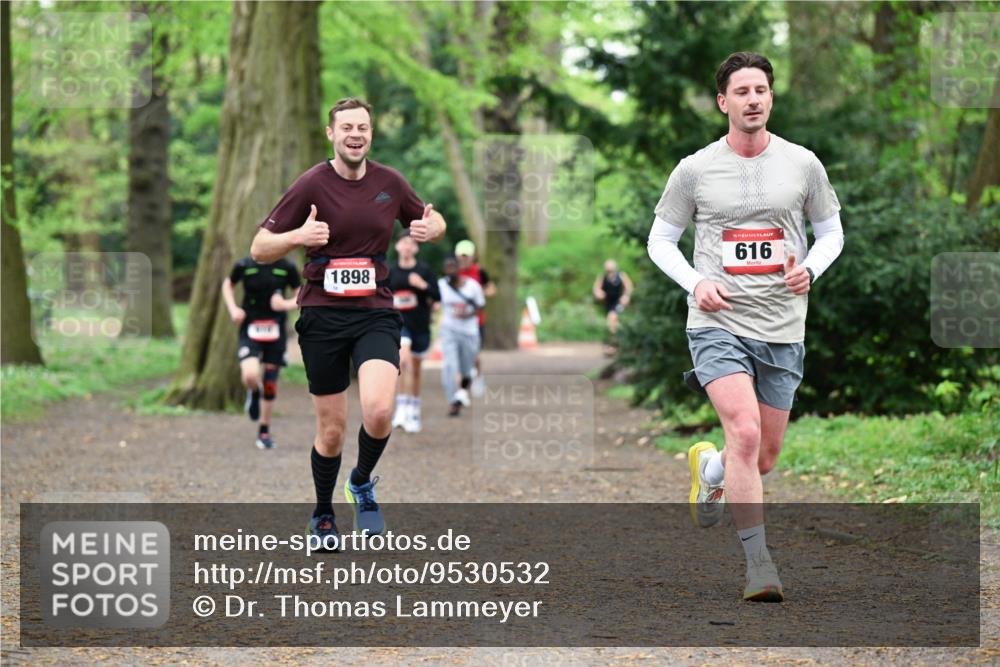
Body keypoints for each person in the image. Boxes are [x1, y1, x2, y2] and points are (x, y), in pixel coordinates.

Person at [647, 52, 844, 602]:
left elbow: (831, 233)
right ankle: (760, 565)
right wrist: (695, 284)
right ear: (723, 102)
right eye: (742, 91)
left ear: (771, 98)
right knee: (745, 431)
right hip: (718, 321)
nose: (753, 99)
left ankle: (710, 470)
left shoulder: (803, 164)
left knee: (763, 456)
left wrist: (811, 268)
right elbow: (660, 241)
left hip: (782, 325)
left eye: (761, 90)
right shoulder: (695, 169)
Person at [250, 97, 446, 548]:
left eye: (363, 128)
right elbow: (260, 247)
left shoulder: (390, 182)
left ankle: (360, 482)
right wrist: (298, 236)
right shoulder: (311, 184)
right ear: (331, 134)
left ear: (370, 134)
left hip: (375, 312)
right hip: (322, 315)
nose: (355, 135)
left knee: (379, 411)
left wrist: (430, 228)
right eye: (347, 128)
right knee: (332, 430)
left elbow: (431, 218)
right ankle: (323, 514)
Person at [221, 256, 300, 450]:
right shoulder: (244, 265)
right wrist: (233, 310)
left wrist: (285, 305)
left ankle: (264, 431)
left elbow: (302, 296)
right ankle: (254, 392)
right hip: (250, 327)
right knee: (250, 374)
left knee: (270, 383)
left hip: (276, 330)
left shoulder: (287, 267)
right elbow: (228, 285)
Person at [389, 230, 439, 433]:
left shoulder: (424, 270)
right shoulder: (391, 271)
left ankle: (414, 409)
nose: (407, 247)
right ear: (397, 246)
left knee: (416, 369)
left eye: (412, 243)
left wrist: (423, 285)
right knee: (402, 362)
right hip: (399, 325)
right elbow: (381, 295)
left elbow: (438, 295)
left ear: (416, 248)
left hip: (420, 325)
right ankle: (401, 409)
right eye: (404, 243)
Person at [437, 256, 485, 417]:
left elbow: (481, 305)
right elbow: (433, 300)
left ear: (459, 268)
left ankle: (463, 391)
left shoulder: (473, 286)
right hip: (449, 330)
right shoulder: (441, 285)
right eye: (447, 267)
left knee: (466, 368)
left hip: (469, 331)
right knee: (449, 366)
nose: (450, 270)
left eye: (453, 266)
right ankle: (453, 401)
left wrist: (467, 314)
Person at [455, 240, 493, 396]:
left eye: (466, 256)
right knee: (459, 354)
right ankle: (462, 386)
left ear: (472, 257)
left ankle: (478, 376)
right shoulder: (453, 272)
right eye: (461, 256)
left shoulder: (479, 272)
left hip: (476, 320)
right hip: (458, 321)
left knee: (474, 354)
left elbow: (491, 289)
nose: (464, 259)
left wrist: (478, 293)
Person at [592, 259, 633, 355]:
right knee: (612, 323)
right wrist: (599, 293)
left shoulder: (621, 275)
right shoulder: (603, 277)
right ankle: (616, 342)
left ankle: (613, 344)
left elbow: (629, 287)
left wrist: (626, 296)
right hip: (608, 303)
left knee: (612, 318)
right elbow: (596, 288)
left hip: (618, 302)